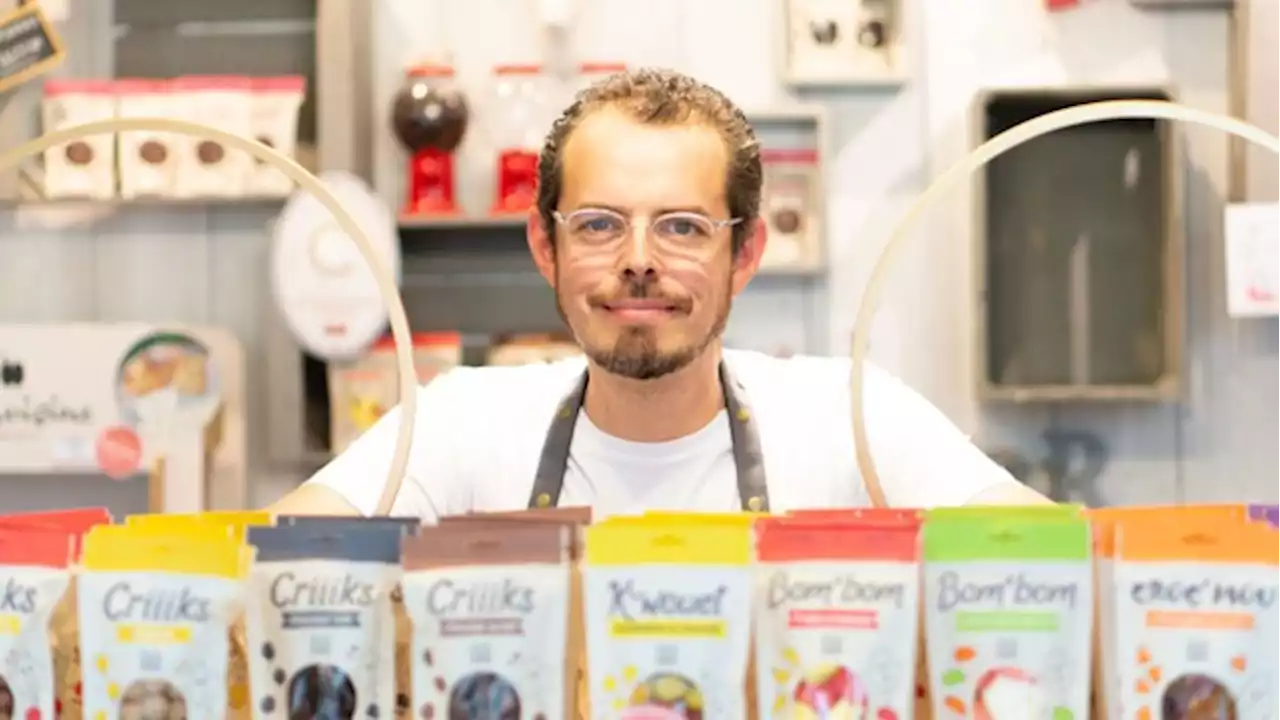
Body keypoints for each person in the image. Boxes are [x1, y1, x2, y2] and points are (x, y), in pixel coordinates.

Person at [270, 69, 1049, 519]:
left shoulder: (849, 417)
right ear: (546, 245)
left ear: (745, 252)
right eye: (601, 224)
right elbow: (285, 555)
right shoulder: (464, 423)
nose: (639, 261)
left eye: (680, 227)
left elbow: (1048, 559)